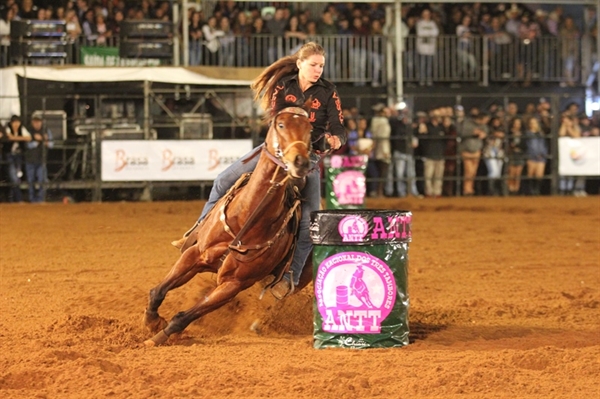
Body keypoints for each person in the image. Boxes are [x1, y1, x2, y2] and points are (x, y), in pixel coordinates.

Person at [172, 42, 345, 299]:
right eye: (313, 65)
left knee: (311, 223)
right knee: (222, 180)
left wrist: (335, 139)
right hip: (273, 154)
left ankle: (290, 276)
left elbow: (339, 127)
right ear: (300, 64)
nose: (318, 70)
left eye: (321, 65)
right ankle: (197, 233)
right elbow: (275, 118)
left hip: (307, 159)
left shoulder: (328, 92)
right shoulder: (283, 86)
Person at [3, 115, 32, 203]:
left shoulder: (21, 129)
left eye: (17, 122)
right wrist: (21, 138)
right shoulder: (7, 128)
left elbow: (29, 138)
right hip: (9, 155)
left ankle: (13, 199)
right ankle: (18, 198)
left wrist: (15, 138)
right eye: (14, 122)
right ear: (11, 123)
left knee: (17, 177)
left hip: (18, 156)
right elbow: (9, 137)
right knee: (13, 177)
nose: (16, 124)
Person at [25, 115, 53, 203]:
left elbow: (51, 145)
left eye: (38, 121)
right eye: (35, 121)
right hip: (30, 160)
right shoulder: (28, 131)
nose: (37, 123)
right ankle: (32, 199)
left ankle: (41, 199)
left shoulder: (46, 131)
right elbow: (26, 145)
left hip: (41, 160)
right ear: (32, 122)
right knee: (31, 181)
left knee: (42, 180)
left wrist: (45, 140)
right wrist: (36, 141)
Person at [459, 112, 488, 196]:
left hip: (476, 150)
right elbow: (462, 132)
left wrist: (483, 134)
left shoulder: (483, 126)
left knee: (473, 172)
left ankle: (470, 188)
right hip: (466, 150)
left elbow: (486, 132)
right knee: (468, 171)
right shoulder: (467, 123)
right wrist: (473, 132)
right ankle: (466, 189)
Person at [370, 104, 391, 197]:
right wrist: (385, 151)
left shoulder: (374, 121)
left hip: (377, 148)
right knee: (382, 172)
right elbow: (383, 137)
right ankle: (379, 191)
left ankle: (378, 191)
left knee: (379, 172)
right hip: (382, 148)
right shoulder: (382, 121)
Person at [524, 118, 548, 195]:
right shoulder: (527, 134)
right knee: (530, 174)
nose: (533, 124)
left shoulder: (541, 134)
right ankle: (530, 191)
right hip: (531, 155)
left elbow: (544, 145)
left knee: (539, 175)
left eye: (534, 123)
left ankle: (536, 190)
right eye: (531, 123)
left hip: (541, 156)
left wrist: (543, 154)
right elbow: (528, 146)